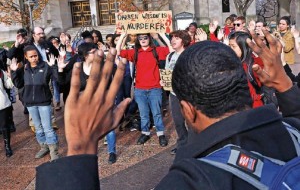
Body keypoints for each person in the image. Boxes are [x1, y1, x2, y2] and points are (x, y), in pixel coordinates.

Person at [35, 29, 300, 189]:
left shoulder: (190, 182)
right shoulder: (294, 133)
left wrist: (78, 150)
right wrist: (284, 83)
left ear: (188, 111)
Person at [116, 32, 172, 146]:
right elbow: (118, 52)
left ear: (149, 39)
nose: (142, 40)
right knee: (143, 113)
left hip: (155, 88)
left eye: (145, 37)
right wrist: (123, 35)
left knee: (156, 113)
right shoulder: (135, 52)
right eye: (140, 38)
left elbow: (170, 50)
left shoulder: (155, 50)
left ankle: (161, 134)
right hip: (140, 89)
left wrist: (161, 35)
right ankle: (145, 133)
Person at [10, 45, 59, 161]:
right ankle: (44, 147)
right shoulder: (24, 69)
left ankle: (54, 151)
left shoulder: (46, 67)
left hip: (44, 102)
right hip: (31, 103)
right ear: (26, 57)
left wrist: (54, 67)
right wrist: (14, 72)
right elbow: (18, 84)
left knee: (48, 128)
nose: (34, 58)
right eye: (31, 56)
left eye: (35, 55)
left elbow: (57, 79)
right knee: (38, 128)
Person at [164, 30, 191, 155]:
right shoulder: (170, 56)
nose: (173, 41)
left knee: (191, 121)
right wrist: (163, 81)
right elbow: (166, 73)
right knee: (178, 122)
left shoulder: (189, 55)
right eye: (172, 38)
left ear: (184, 41)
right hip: (174, 94)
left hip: (188, 94)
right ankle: (183, 144)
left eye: (177, 38)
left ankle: (194, 145)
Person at [228, 31, 264, 108]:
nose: (230, 49)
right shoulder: (232, 63)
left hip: (254, 107)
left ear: (243, 47)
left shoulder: (254, 64)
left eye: (233, 46)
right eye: (229, 45)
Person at [0, 69, 14, 157]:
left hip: (2, 104)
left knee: (4, 126)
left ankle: (7, 146)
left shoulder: (1, 72)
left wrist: (10, 77)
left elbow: (8, 85)